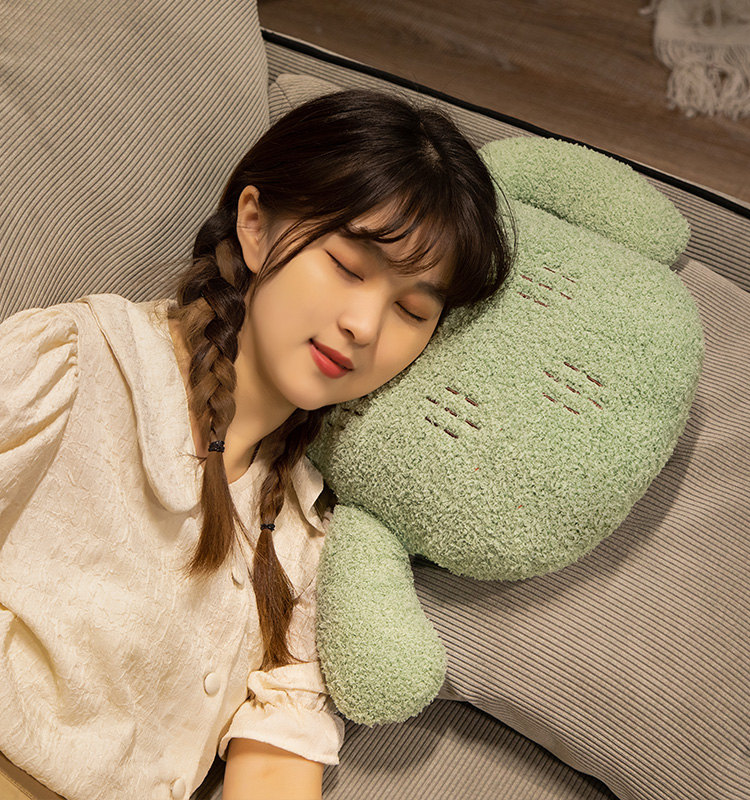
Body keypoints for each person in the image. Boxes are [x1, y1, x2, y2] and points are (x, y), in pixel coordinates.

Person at [0, 88, 513, 800]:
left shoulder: (305, 538)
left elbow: (274, 763)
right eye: (348, 266)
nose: (365, 326)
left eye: (411, 309)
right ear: (254, 225)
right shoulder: (80, 363)